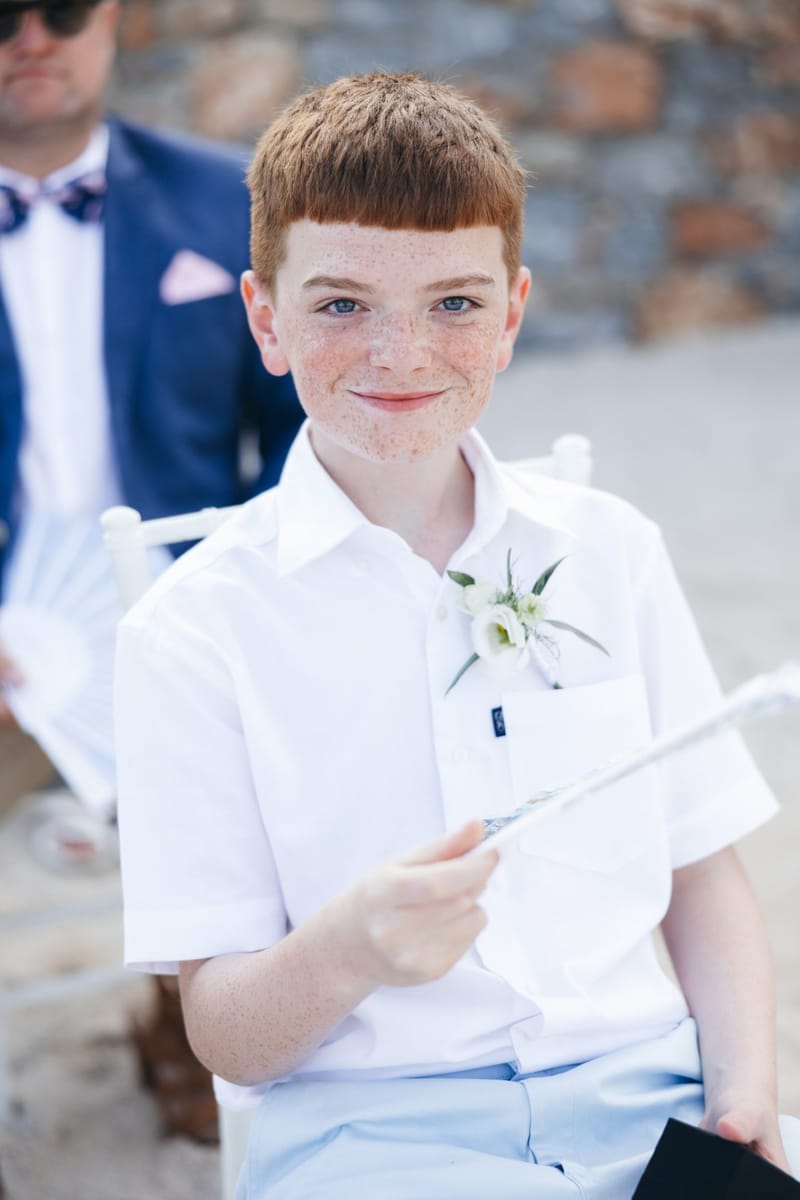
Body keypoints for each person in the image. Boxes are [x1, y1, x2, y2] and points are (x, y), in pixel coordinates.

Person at [115, 72, 799, 1198]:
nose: (401, 353)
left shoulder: (608, 548)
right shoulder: (189, 632)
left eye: (454, 304)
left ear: (513, 314)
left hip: (651, 1099)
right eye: (340, 305)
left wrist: (736, 1102)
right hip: (373, 1140)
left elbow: (699, 868)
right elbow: (226, 1036)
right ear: (263, 321)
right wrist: (350, 953)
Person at [0, 0, 302, 817]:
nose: (30, 39)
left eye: (60, 11)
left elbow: (305, 419)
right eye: (2, 15)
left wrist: (254, 581)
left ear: (110, 19)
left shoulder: (227, 200)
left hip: (202, 621)